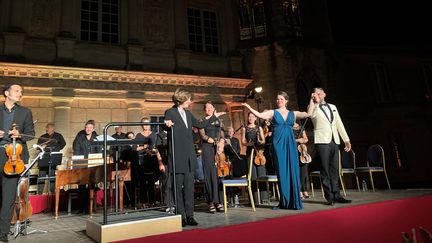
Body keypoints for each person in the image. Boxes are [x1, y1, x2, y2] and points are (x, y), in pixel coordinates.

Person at [164, 88, 224, 227]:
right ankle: (181, 216)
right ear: (182, 99)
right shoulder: (170, 112)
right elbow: (166, 124)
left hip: (190, 157)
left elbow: (201, 124)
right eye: (189, 99)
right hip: (177, 157)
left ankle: (190, 216)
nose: (190, 101)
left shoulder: (188, 114)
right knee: (178, 188)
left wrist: (213, 116)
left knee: (189, 188)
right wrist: (166, 124)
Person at [242, 91, 313, 209]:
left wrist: (311, 100)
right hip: (278, 143)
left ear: (286, 101)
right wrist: (249, 107)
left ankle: (295, 200)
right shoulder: (272, 112)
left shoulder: (293, 113)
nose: (278, 101)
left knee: (293, 169)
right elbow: (259, 115)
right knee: (282, 170)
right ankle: (284, 201)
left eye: (281, 99)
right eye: (277, 99)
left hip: (290, 143)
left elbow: (308, 113)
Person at [0, 84, 35, 242]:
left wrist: (19, 134)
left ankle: (2, 232)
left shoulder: (25, 112)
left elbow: (31, 134)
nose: (20, 93)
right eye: (17, 91)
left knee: (7, 197)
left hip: (14, 158)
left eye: (21, 91)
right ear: (6, 93)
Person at [310, 87, 352, 205]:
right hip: (322, 141)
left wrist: (346, 140)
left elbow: (339, 123)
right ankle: (329, 197)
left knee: (335, 169)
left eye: (319, 93)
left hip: (334, 140)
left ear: (324, 94)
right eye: (315, 94)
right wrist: (314, 102)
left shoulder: (333, 107)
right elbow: (311, 115)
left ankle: (337, 195)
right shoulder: (313, 107)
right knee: (325, 170)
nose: (317, 95)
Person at [198, 101, 225, 213]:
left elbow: (222, 134)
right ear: (205, 110)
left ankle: (219, 201)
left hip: (218, 149)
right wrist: (211, 140)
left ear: (214, 109)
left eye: (210, 107)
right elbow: (202, 135)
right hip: (207, 148)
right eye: (206, 108)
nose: (208, 109)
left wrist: (221, 144)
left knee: (217, 175)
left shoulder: (218, 120)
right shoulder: (202, 121)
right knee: (209, 175)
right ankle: (211, 202)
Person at [72, 119, 101, 213]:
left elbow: (99, 151)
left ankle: (91, 207)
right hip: (82, 166)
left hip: (93, 166)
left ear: (93, 129)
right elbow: (76, 151)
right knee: (81, 187)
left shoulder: (96, 138)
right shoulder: (79, 138)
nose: (88, 129)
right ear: (85, 128)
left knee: (92, 186)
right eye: (87, 127)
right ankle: (82, 208)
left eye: (90, 128)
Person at [134, 118, 164, 208]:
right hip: (142, 160)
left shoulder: (154, 135)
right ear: (142, 125)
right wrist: (144, 146)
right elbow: (135, 148)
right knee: (142, 182)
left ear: (150, 125)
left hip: (152, 160)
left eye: (147, 124)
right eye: (144, 124)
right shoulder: (139, 135)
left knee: (152, 182)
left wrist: (160, 161)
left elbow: (157, 148)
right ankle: (143, 202)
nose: (146, 125)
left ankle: (152, 202)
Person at [241, 112, 267, 204]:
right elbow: (243, 142)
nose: (251, 118)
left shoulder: (259, 128)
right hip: (250, 151)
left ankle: (263, 198)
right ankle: (255, 200)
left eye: (252, 116)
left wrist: (260, 141)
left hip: (259, 152)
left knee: (261, 174)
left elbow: (263, 140)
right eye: (249, 116)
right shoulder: (245, 128)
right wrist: (249, 144)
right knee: (253, 175)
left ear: (256, 118)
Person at [36, 122, 66, 194]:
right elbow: (38, 146)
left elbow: (63, 144)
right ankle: (40, 193)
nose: (48, 129)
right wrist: (41, 147)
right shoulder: (42, 136)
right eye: (47, 128)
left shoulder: (58, 136)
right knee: (41, 175)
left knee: (52, 175)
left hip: (53, 157)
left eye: (50, 128)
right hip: (44, 157)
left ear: (53, 129)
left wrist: (56, 148)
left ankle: (52, 192)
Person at [293, 122, 310, 199]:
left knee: (304, 172)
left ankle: (304, 189)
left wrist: (302, 140)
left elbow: (306, 139)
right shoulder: (288, 127)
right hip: (293, 150)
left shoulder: (301, 127)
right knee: (296, 172)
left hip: (302, 151)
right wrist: (297, 140)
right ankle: (298, 190)